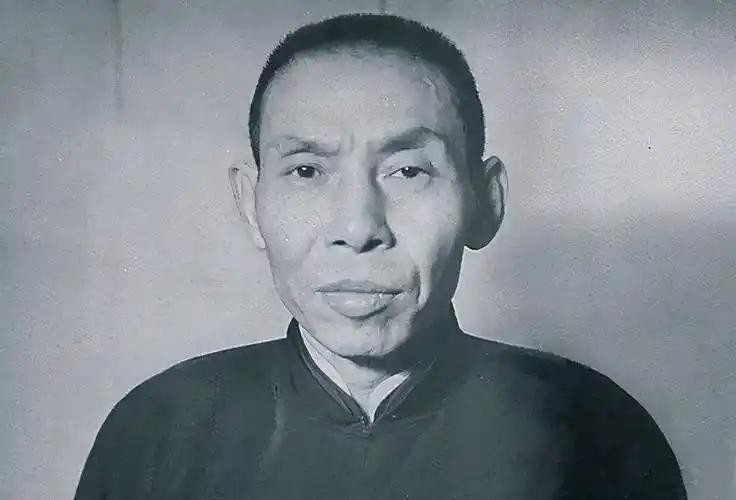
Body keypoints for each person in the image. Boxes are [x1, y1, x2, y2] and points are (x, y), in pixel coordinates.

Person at [74, 13, 687, 500]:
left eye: (408, 171)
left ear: (485, 201)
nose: (359, 227)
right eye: (307, 171)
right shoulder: (159, 430)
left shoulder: (595, 431)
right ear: (250, 203)